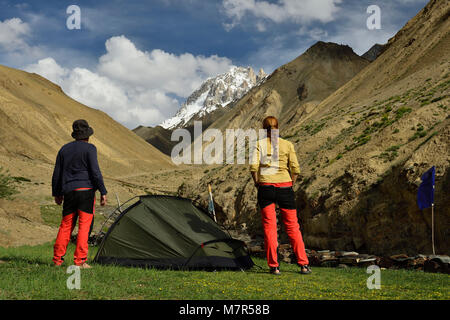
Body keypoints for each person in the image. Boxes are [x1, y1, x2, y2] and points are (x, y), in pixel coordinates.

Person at [250, 116, 311, 275]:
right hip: (285, 187)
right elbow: (295, 169)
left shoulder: (259, 145)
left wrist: (257, 182)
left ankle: (274, 267)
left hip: (266, 188)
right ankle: (304, 265)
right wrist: (291, 183)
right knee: (292, 227)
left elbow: (253, 167)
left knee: (270, 228)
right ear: (278, 127)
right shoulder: (287, 145)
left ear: (264, 130)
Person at [52, 119, 107, 268]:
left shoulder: (63, 149)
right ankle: (80, 261)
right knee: (84, 226)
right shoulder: (90, 149)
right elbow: (95, 172)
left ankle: (57, 260)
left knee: (66, 225)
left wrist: (57, 193)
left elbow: (57, 173)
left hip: (69, 192)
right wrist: (103, 191)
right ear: (87, 135)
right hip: (86, 192)